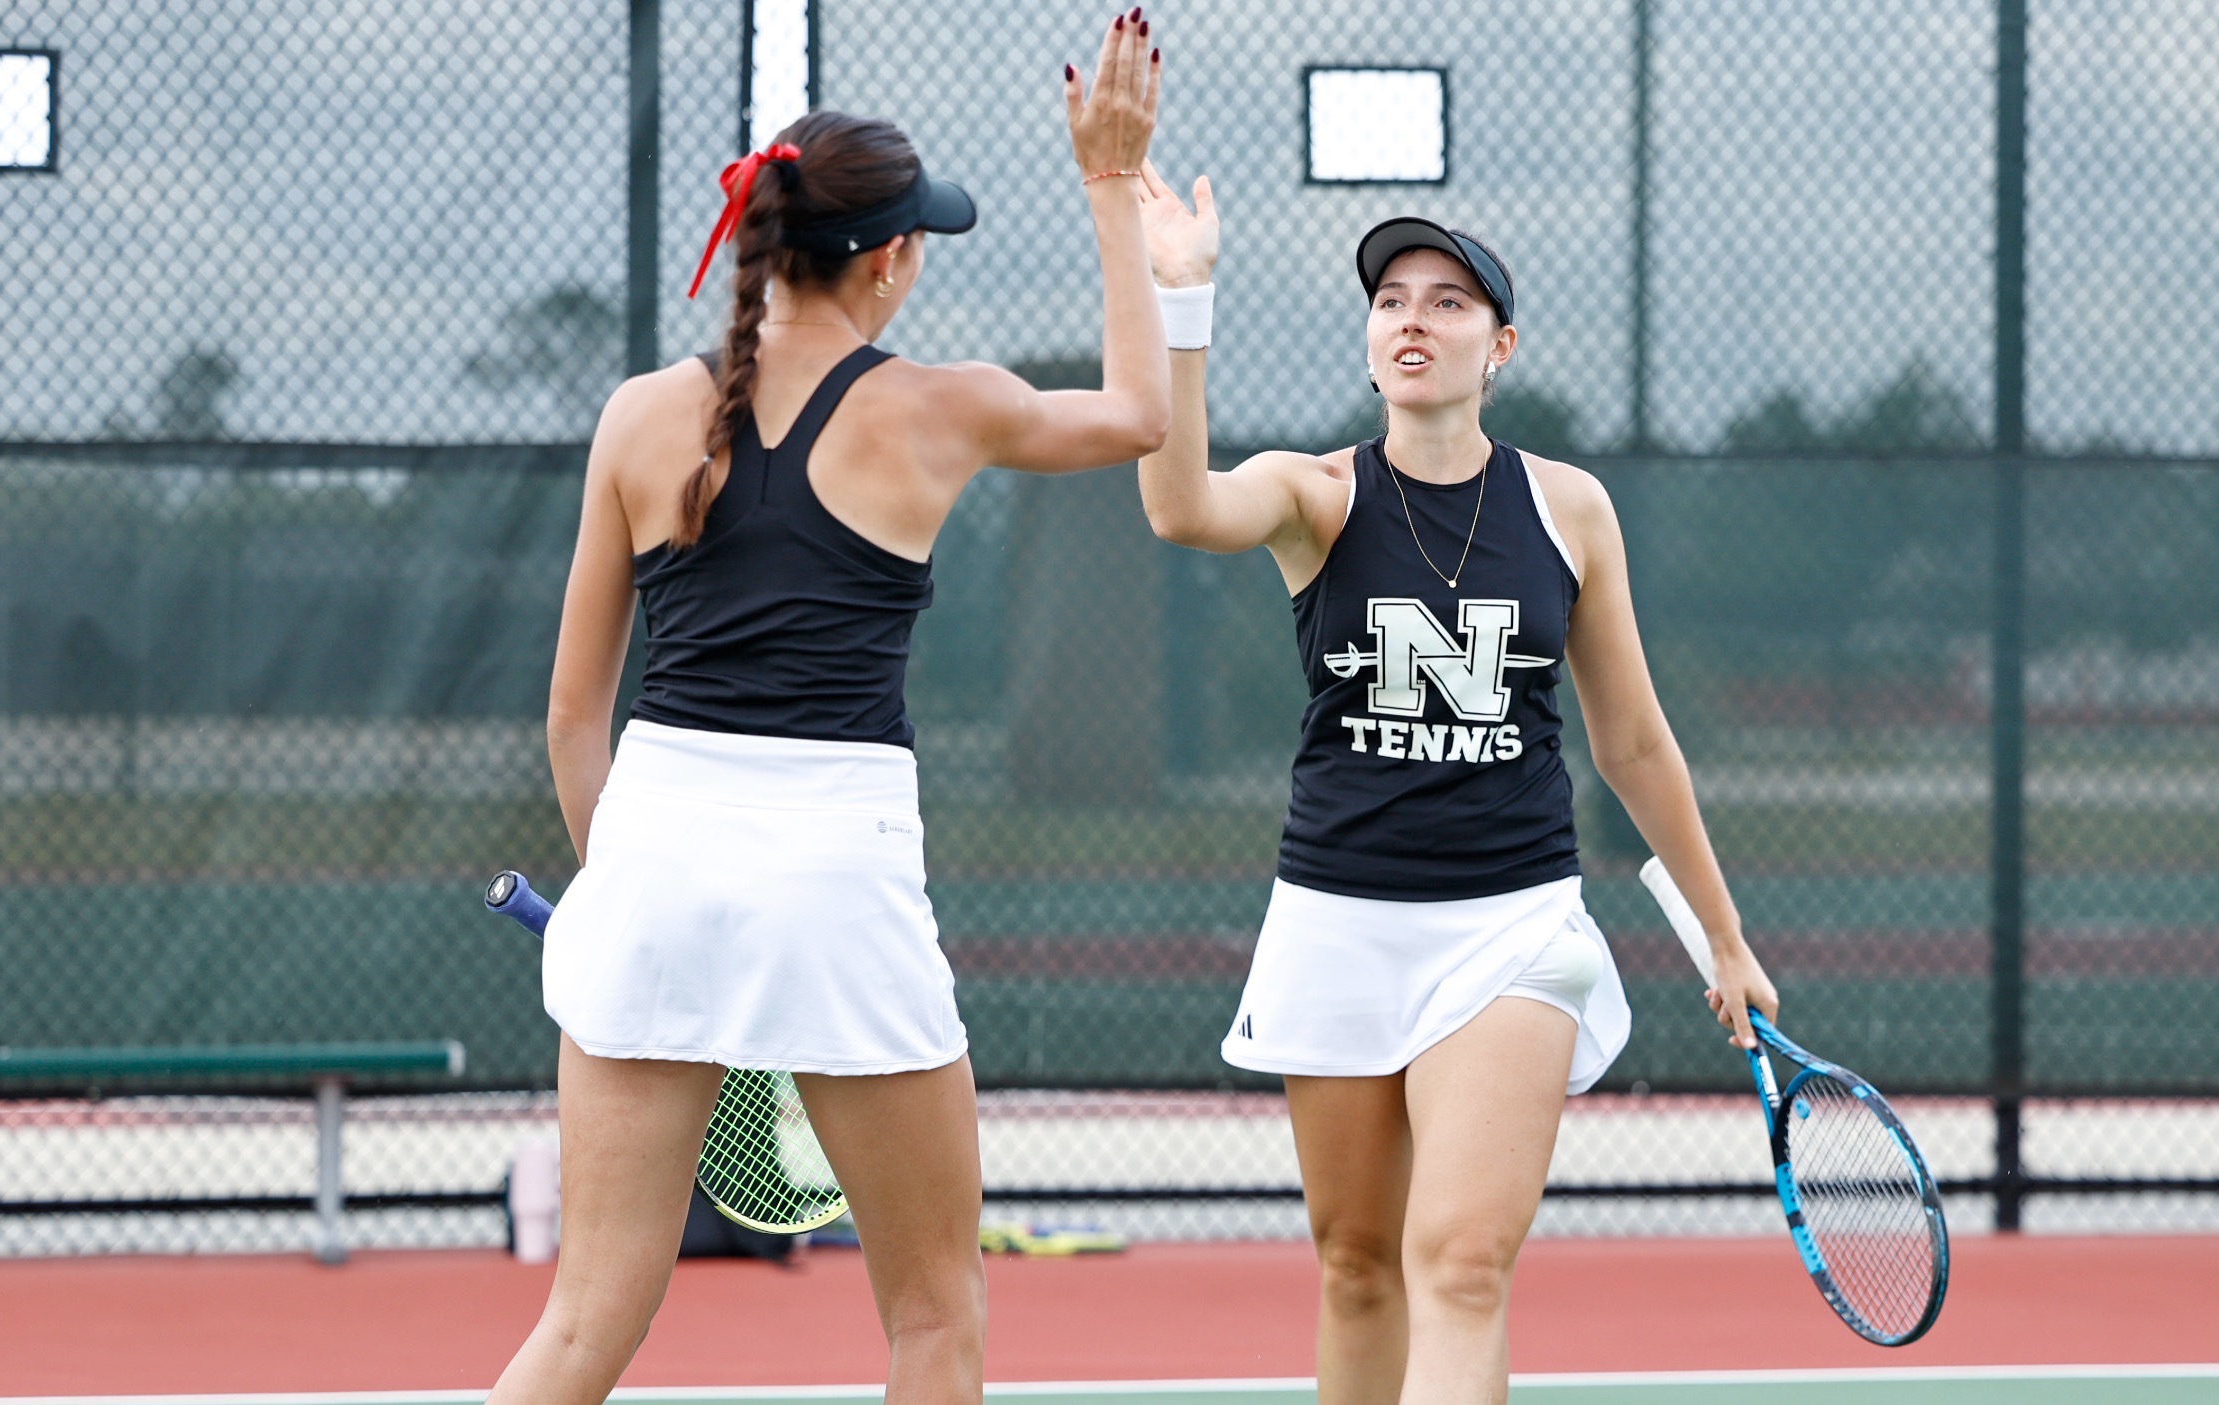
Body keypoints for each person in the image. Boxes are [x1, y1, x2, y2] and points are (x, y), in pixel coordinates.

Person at [489, 16, 1168, 1404]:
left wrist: (625, 892)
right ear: (892, 259)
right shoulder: (941, 408)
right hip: (837, 866)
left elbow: (573, 717)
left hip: (656, 853)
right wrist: (1110, 181)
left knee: (580, 1328)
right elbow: (1142, 414)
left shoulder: (635, 417)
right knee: (935, 1317)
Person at [1131, 175, 1781, 1402]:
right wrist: (1183, 297)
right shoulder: (1313, 495)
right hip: (1336, 921)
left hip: (1512, 925)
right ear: (1371, 340)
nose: (1413, 319)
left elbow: (1633, 741)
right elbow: (1176, 507)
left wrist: (1725, 936)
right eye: (1389, 300)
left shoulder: (1567, 506)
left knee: (1463, 1260)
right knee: (1359, 1265)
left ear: (1502, 346)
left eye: (1448, 300)